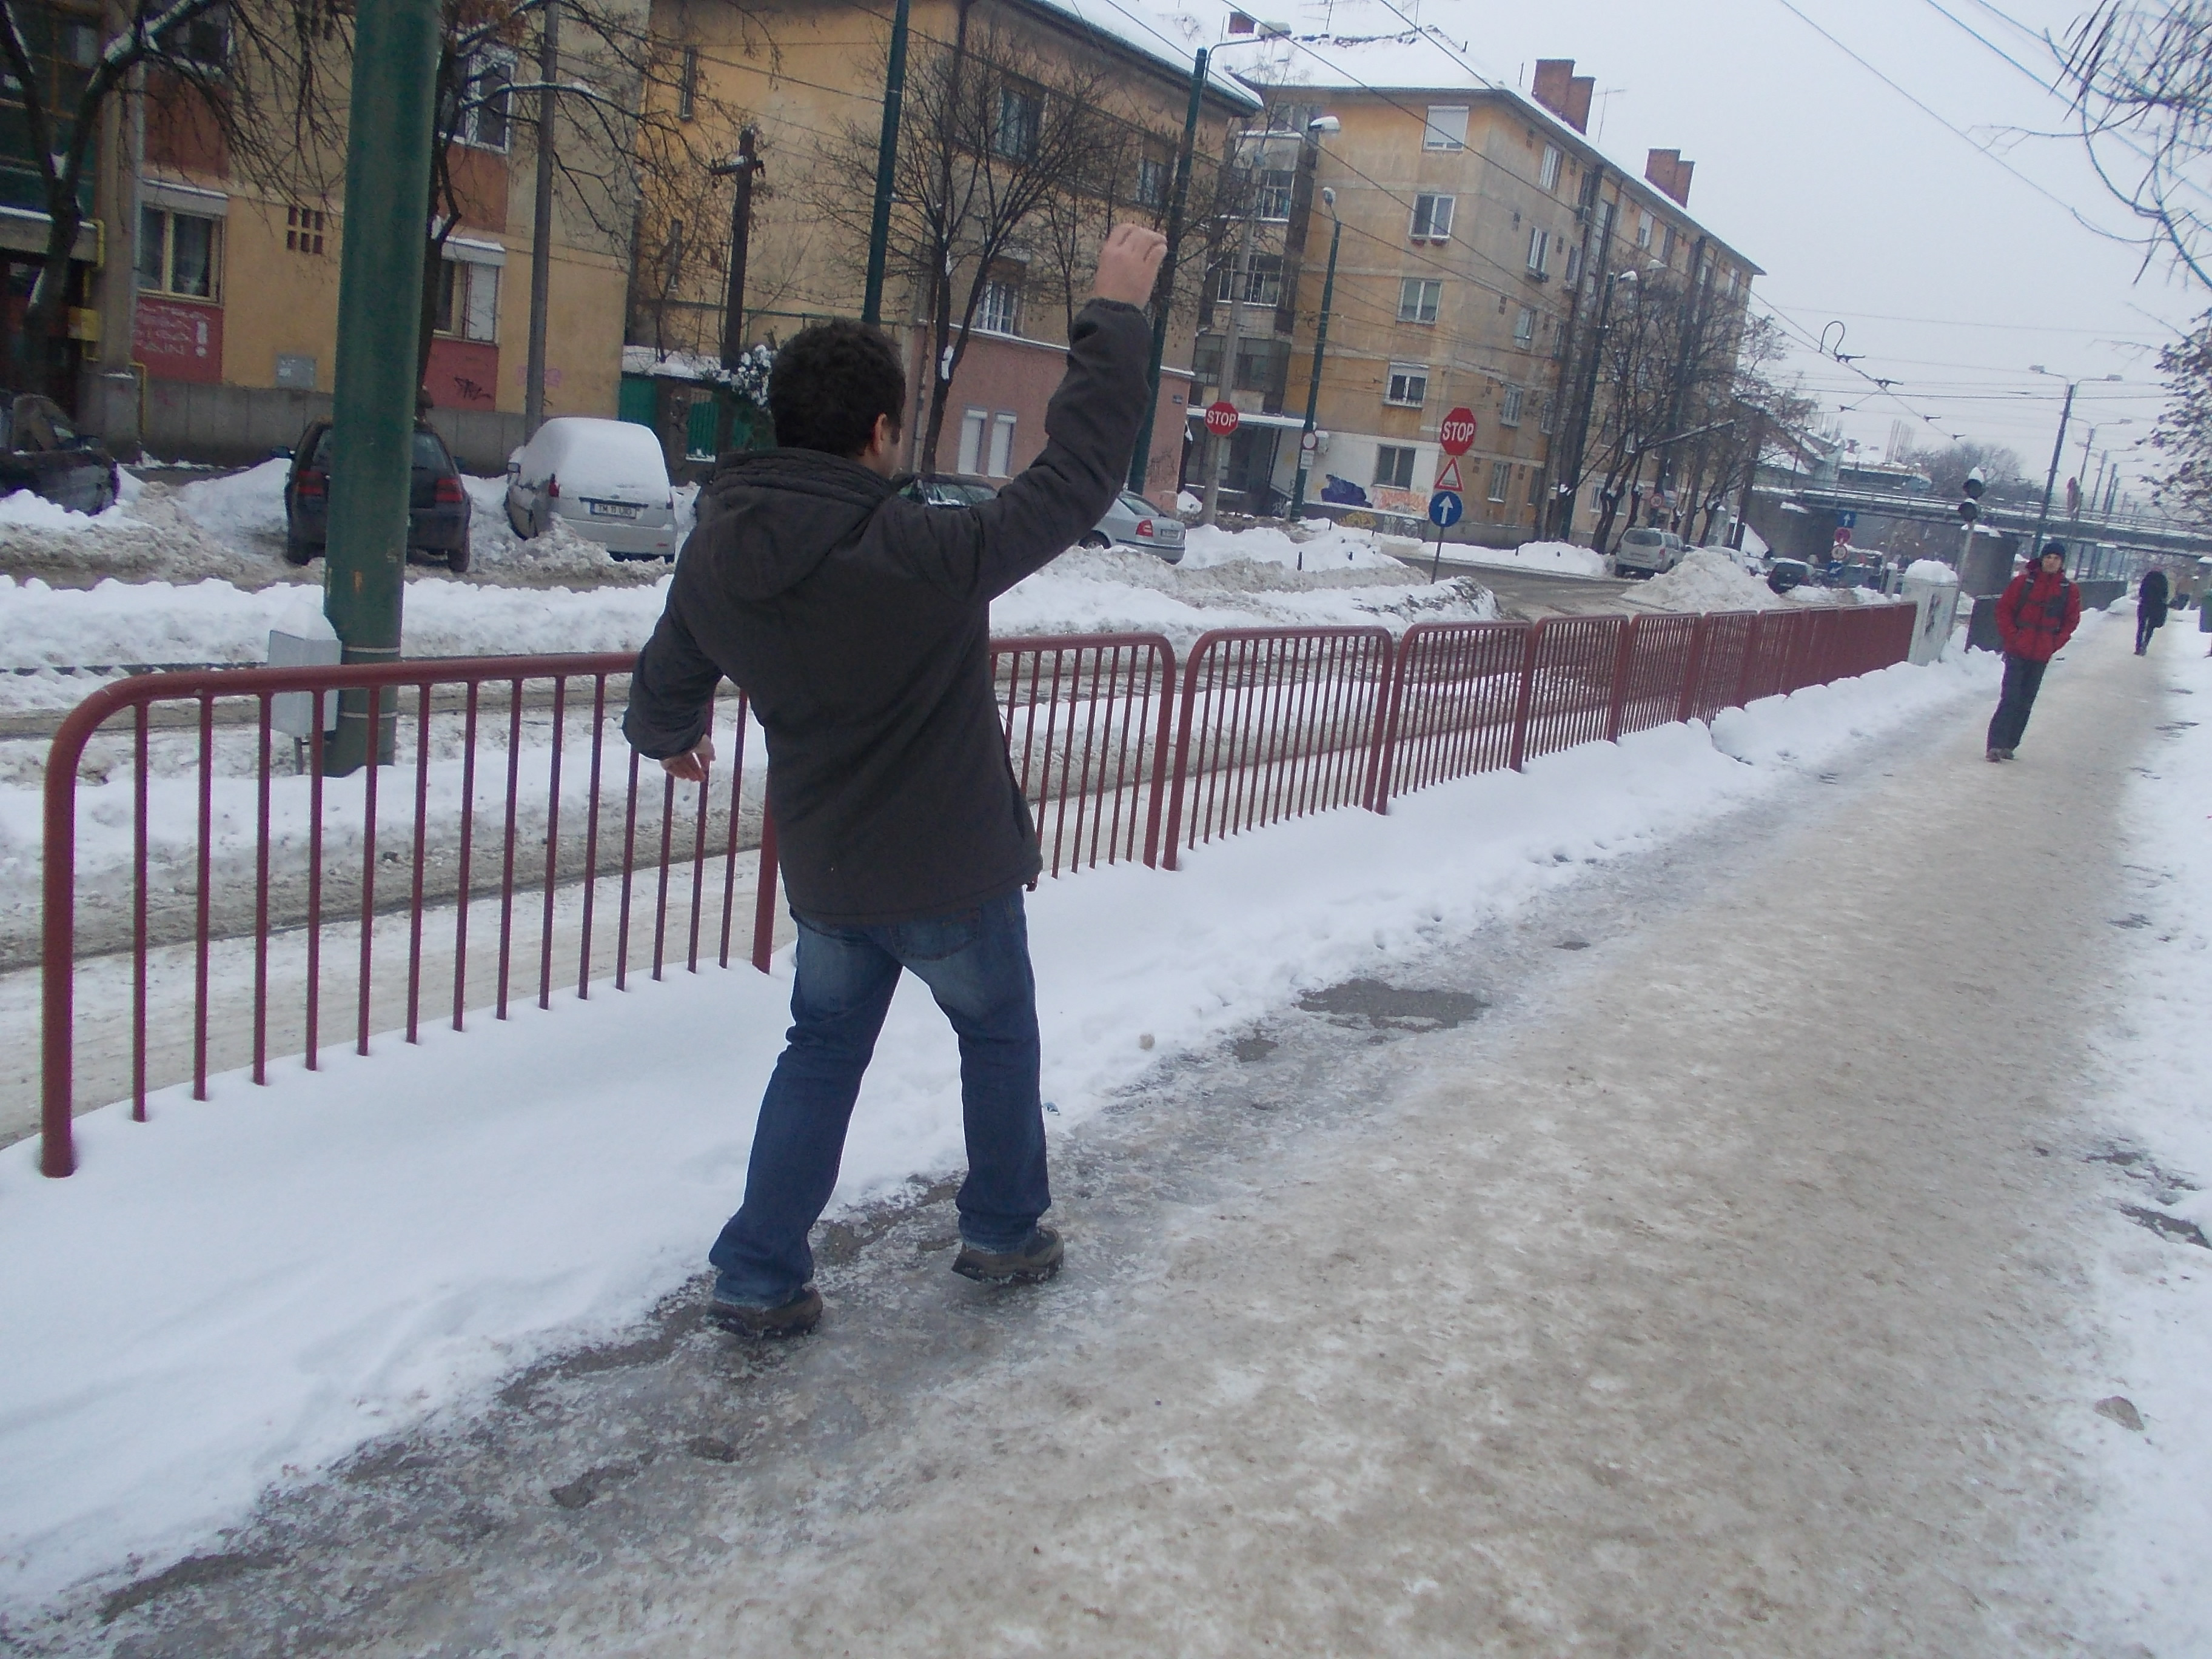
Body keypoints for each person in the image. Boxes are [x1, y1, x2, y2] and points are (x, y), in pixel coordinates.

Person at [621, 224, 1169, 1339]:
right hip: (950, 872)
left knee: (819, 1052)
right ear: (878, 432)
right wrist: (1113, 310)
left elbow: (674, 660)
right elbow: (1075, 479)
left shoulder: (718, 547)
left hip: (829, 875)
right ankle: (1004, 1228)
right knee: (996, 1034)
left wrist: (666, 729)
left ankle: (760, 1271)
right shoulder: (919, 549)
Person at [1986, 541, 2082, 762]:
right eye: (2048, 557)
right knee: (2010, 697)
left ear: (2062, 563)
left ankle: (2010, 744)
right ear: (2042, 559)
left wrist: (2054, 643)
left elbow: (2071, 620)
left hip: (2041, 653)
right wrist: (2013, 636)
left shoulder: (2069, 590)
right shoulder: (2023, 583)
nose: (2051, 561)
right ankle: (1995, 745)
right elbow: (2004, 610)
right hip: (2017, 650)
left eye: (2056, 558)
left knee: (2026, 700)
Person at [2137, 565, 2170, 655]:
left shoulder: (2148, 578)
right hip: (2156, 606)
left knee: (2141, 627)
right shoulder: (2163, 580)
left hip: (2145, 604)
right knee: (2150, 627)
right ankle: (2145, 644)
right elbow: (2165, 594)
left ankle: (2138, 647)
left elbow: (2141, 591)